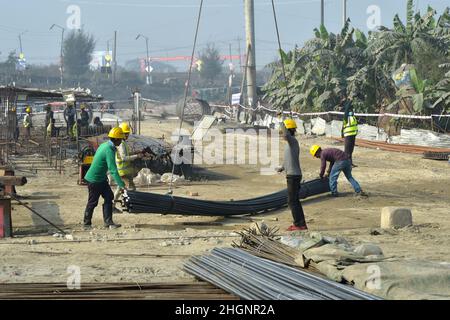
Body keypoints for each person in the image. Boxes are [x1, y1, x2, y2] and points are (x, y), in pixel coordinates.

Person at [83, 127, 126, 229]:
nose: (121, 141)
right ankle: (86, 223)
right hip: (94, 179)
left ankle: (108, 222)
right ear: (115, 139)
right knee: (93, 202)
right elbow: (113, 170)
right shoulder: (108, 150)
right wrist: (121, 185)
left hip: (101, 179)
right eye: (120, 139)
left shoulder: (105, 145)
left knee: (109, 197)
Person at [277, 119, 308, 231]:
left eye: (283, 130)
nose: (281, 134)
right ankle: (300, 223)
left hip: (293, 176)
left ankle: (299, 224)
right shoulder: (289, 145)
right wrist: (281, 167)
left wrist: (281, 121)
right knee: (293, 200)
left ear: (289, 130)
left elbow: (285, 134)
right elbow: (287, 160)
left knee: (292, 200)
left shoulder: (293, 141)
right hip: (292, 175)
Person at [113, 122, 144, 213]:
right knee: (132, 190)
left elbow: (125, 154)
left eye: (127, 133)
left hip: (123, 171)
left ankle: (112, 206)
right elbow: (124, 158)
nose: (127, 135)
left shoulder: (122, 143)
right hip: (124, 172)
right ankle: (133, 207)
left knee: (119, 190)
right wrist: (137, 156)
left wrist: (136, 153)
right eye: (126, 133)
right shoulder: (121, 144)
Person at [341, 96, 358, 167]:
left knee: (350, 151)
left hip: (353, 135)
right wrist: (350, 100)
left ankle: (350, 163)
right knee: (347, 151)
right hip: (348, 136)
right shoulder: (346, 117)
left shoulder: (353, 117)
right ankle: (345, 164)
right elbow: (347, 108)